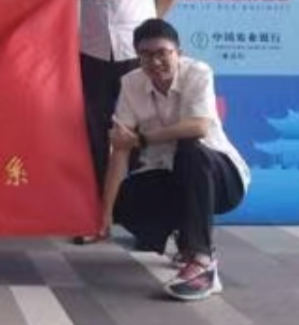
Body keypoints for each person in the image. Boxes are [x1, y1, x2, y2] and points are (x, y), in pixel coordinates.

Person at [49, 0, 178, 242]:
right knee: (94, 137)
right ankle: (96, 220)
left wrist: (148, 33)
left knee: (141, 139)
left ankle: (144, 223)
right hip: (91, 52)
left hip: (136, 58)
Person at [98, 18, 249, 301]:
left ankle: (203, 262)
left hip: (221, 179)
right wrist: (105, 214)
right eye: (146, 55)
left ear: (178, 52)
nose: (155, 62)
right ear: (137, 56)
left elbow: (198, 127)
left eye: (162, 53)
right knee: (123, 199)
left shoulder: (198, 73)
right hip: (170, 174)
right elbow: (120, 148)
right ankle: (184, 235)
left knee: (190, 150)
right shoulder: (131, 84)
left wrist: (142, 139)